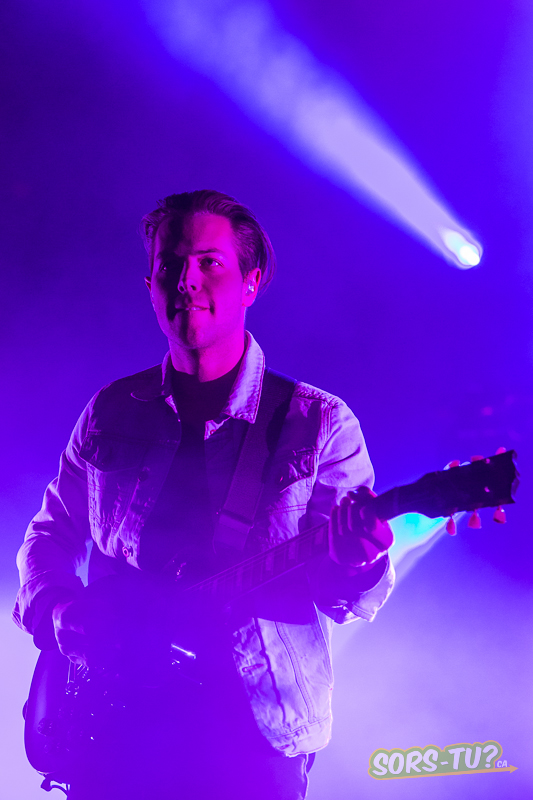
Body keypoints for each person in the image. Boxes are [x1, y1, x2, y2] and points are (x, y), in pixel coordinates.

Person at [14, 190, 395, 799]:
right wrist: (59, 610)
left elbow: (346, 596)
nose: (187, 280)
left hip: (249, 740)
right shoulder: (112, 411)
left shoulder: (317, 425)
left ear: (251, 281)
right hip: (112, 732)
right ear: (151, 287)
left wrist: (358, 563)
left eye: (210, 262)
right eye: (171, 265)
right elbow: (49, 534)